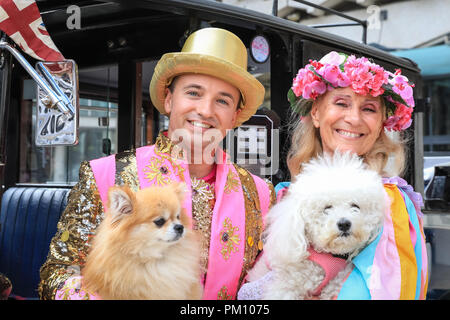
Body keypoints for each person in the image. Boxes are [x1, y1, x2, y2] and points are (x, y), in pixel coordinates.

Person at [38, 27, 276, 300]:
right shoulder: (105, 176)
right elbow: (56, 274)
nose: (206, 110)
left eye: (222, 100)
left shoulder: (260, 194)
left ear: (234, 116)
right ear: (168, 99)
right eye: (194, 93)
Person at [238, 51, 428, 300]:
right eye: (341, 103)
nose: (353, 118)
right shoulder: (278, 194)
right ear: (315, 113)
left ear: (382, 122)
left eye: (368, 108)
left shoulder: (392, 205)